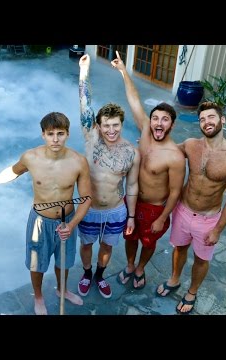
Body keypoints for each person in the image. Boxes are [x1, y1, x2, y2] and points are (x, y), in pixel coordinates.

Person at [0, 111, 92, 315]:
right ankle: (38, 297)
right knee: (36, 264)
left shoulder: (78, 161)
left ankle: (62, 290)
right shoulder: (31, 157)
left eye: (60, 133)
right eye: (51, 134)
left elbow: (86, 198)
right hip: (40, 222)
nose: (56, 139)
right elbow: (13, 171)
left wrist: (72, 224)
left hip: (66, 222)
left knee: (64, 261)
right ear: (43, 135)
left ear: (67, 134)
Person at [157, 101, 226, 314]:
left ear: (222, 120)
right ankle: (174, 279)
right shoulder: (190, 145)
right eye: (203, 119)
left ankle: (192, 291)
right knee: (179, 249)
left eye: (211, 117)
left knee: (201, 258)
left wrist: (217, 230)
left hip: (208, 219)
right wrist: (147, 146)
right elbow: (167, 153)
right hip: (183, 210)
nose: (207, 122)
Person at [111, 51, 186, 290]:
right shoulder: (144, 131)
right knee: (130, 237)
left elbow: (175, 192)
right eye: (156, 118)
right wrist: (124, 71)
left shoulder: (174, 156)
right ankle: (131, 264)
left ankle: (141, 267)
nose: (159, 123)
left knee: (149, 241)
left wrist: (163, 217)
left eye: (165, 119)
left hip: (155, 208)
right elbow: (134, 99)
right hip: (132, 201)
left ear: (172, 125)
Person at [76, 54, 140, 299]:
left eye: (116, 125)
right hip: (89, 207)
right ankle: (86, 273)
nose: (111, 130)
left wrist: (131, 216)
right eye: (106, 125)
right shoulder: (91, 139)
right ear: (98, 126)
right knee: (86, 244)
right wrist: (84, 72)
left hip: (116, 209)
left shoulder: (131, 152)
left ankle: (100, 276)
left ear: (121, 124)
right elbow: (85, 104)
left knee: (107, 246)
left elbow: (132, 185)